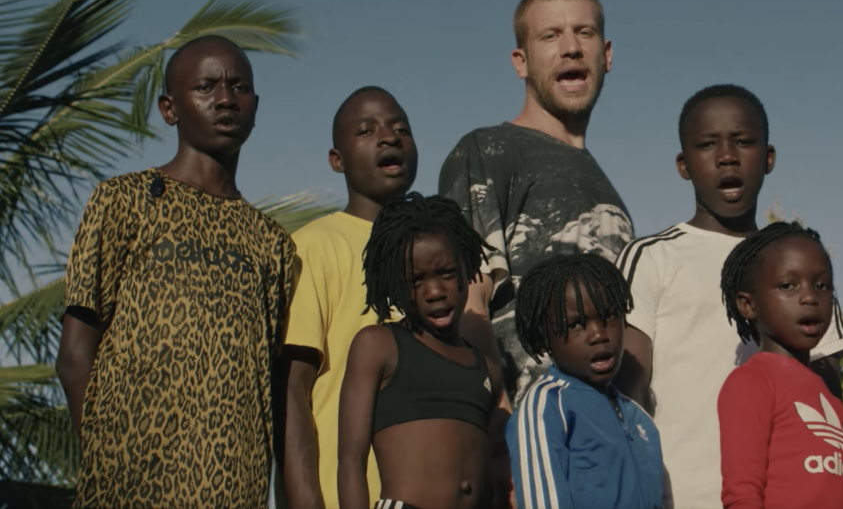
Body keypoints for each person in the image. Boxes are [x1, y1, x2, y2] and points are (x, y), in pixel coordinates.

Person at [55, 36, 295, 508]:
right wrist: (110, 466)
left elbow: (272, 385)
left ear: (255, 106)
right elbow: (75, 355)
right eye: (206, 86)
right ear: (169, 109)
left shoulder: (272, 243)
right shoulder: (124, 201)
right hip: (129, 488)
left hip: (233, 489)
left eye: (239, 87)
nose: (225, 99)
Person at [612, 84, 843, 508]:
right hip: (680, 497)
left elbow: (827, 393)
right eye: (708, 145)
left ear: (769, 157)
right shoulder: (651, 257)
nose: (727, 156)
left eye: (743, 141)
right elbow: (627, 391)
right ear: (684, 165)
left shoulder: (802, 269)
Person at [438, 0, 633, 406]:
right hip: (529, 428)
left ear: (607, 55)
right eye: (550, 35)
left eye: (584, 32)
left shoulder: (604, 183)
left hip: (605, 429)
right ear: (521, 62)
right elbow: (468, 304)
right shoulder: (486, 152)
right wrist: (499, 423)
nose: (571, 48)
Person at [280, 87, 418, 509]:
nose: (389, 137)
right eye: (366, 130)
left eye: (401, 128)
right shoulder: (315, 246)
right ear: (336, 160)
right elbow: (290, 390)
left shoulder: (438, 253)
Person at [336, 193, 509, 509]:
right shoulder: (379, 345)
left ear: (468, 268)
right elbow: (351, 457)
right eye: (416, 280)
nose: (434, 291)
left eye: (446, 272)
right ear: (396, 283)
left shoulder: (487, 370)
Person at [717, 222, 843, 509]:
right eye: (787, 286)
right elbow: (742, 494)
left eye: (821, 285)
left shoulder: (830, 395)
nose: (810, 298)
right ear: (748, 305)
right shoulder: (753, 381)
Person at [507, 254, 666, 509]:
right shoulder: (546, 406)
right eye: (575, 324)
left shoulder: (640, 419)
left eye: (609, 316)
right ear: (543, 339)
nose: (599, 335)